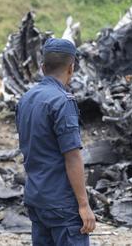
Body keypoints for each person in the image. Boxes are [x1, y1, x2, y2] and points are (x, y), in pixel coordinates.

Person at [16, 38, 96, 246]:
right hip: (62, 203)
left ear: (43, 68)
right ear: (71, 68)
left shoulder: (25, 99)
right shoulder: (62, 101)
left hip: (36, 198)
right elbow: (72, 156)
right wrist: (83, 205)